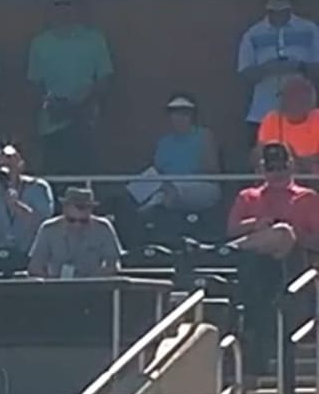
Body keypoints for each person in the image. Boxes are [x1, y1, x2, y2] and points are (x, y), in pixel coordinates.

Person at [226, 142, 319, 368]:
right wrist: (257, 225)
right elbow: (232, 229)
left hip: (293, 263)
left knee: (282, 233)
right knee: (268, 243)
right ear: (262, 169)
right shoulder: (248, 196)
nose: (276, 174)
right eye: (271, 168)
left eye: (281, 167)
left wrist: (292, 233)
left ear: (290, 167)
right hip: (255, 264)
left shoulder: (307, 198)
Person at [27, 0, 114, 175]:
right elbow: (34, 85)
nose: (64, 9)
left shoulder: (94, 39)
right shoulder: (39, 43)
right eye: (59, 4)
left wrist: (84, 97)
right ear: (51, 8)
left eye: (69, 4)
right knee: (55, 179)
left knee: (84, 180)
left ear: (77, 8)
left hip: (86, 122)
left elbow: (105, 80)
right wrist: (50, 104)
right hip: (52, 123)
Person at [134, 93, 223, 242]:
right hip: (166, 187)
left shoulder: (204, 136)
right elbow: (157, 170)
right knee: (137, 190)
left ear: (191, 115)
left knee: (169, 190)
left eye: (184, 113)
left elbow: (212, 170)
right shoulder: (164, 142)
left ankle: (153, 215)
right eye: (174, 113)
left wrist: (185, 177)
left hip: (203, 187)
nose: (179, 117)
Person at [238, 0, 319, 151]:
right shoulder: (252, 34)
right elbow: (244, 73)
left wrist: (299, 66)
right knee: (266, 161)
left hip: (305, 116)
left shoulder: (310, 30)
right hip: (262, 112)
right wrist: (268, 69)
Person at [0, 143, 55, 276]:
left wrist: (17, 206)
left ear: (21, 166)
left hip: (30, 255)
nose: (6, 172)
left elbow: (44, 226)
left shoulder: (39, 188)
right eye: (1, 168)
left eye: (10, 166)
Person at [28, 185, 122, 279]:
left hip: (93, 288)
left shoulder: (103, 228)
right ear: (64, 210)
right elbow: (35, 266)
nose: (77, 225)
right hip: (56, 288)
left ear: (91, 211)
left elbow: (113, 264)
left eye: (83, 221)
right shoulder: (48, 228)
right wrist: (52, 283)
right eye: (71, 220)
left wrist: (92, 279)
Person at [256, 74, 319, 172]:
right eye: (283, 95)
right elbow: (262, 153)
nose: (283, 101)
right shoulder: (272, 119)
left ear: (306, 101)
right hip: (282, 173)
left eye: (291, 96)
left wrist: (297, 160)